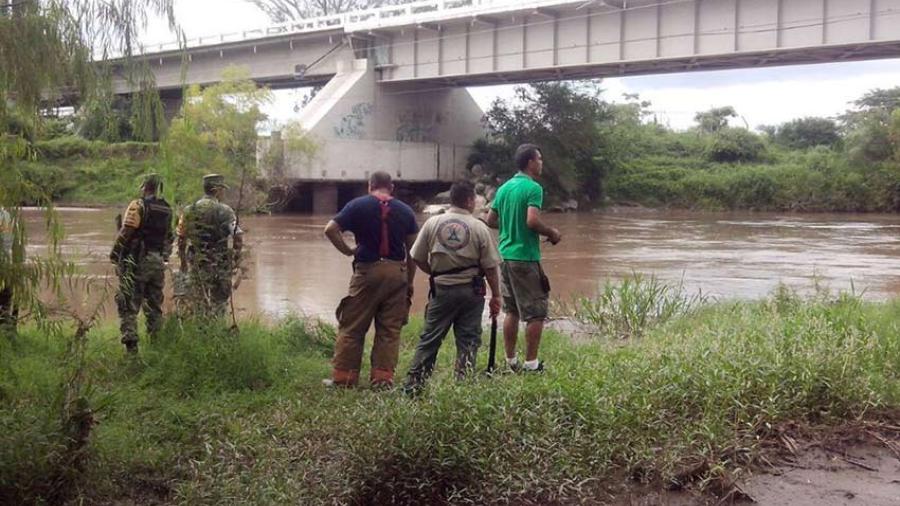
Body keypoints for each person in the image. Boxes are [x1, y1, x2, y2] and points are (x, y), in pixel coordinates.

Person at [402, 181, 501, 395]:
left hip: (441, 291)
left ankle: (413, 387)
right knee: (468, 340)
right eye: (474, 199)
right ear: (468, 200)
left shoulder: (432, 223)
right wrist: (497, 296)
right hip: (472, 292)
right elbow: (491, 268)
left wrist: (436, 273)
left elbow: (416, 257)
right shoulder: (479, 227)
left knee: (430, 338)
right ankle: (462, 389)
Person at [323, 171, 418, 388]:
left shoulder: (357, 205)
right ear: (391, 187)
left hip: (367, 272)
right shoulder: (406, 211)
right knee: (389, 330)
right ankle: (382, 380)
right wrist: (409, 281)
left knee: (352, 326)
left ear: (370, 186)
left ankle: (344, 379)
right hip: (397, 273)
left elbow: (330, 229)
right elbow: (413, 251)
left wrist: (348, 250)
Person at [486, 144, 561, 372]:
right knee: (536, 313)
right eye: (539, 158)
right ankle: (531, 364)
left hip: (505, 257)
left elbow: (490, 220)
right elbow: (531, 221)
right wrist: (552, 233)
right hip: (525, 259)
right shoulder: (533, 188)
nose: (541, 162)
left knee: (512, 311)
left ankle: (511, 361)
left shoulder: (505, 188)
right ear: (530, 162)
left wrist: (510, 226)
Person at [109, 174, 174, 353]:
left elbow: (126, 232)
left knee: (128, 304)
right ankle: (156, 346)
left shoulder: (138, 205)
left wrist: (115, 254)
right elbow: (170, 237)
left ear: (144, 187)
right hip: (158, 263)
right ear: (158, 188)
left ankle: (131, 350)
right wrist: (163, 257)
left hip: (137, 262)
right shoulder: (167, 209)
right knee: (154, 306)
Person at [176, 174, 243, 319]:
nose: (223, 193)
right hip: (220, 263)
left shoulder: (189, 211)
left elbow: (181, 239)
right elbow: (238, 236)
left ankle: (201, 331)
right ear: (217, 190)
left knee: (199, 299)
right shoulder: (225, 211)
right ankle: (217, 330)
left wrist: (183, 263)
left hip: (197, 263)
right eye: (222, 189)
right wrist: (236, 258)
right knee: (219, 302)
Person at [0, 207, 17, 334]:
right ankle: (6, 332)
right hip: (7, 265)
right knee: (5, 303)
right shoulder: (8, 215)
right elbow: (17, 245)